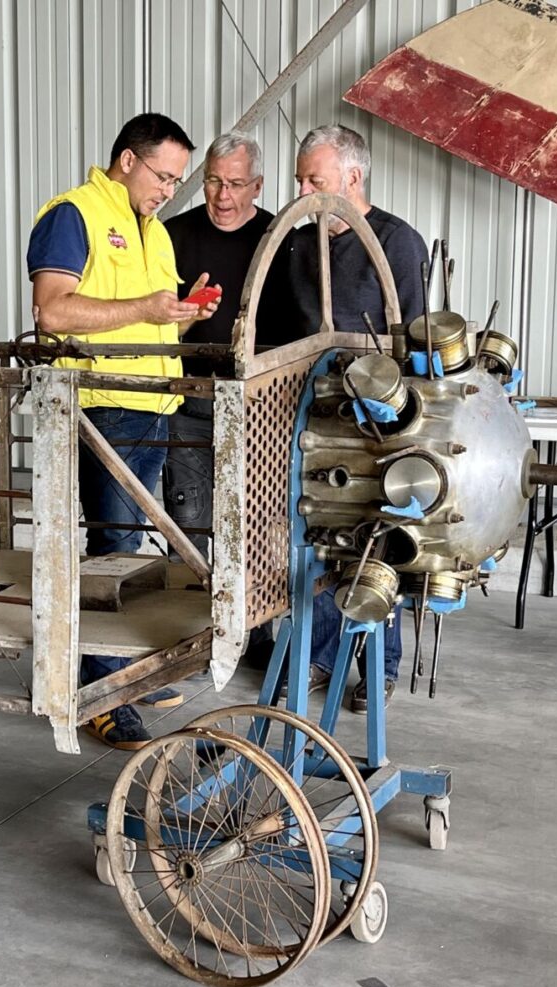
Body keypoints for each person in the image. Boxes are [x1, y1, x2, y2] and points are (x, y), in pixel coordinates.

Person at [27, 113, 217, 750]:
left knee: (132, 551)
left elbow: (150, 329)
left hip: (153, 404)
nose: (169, 190)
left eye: (176, 181)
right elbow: (52, 310)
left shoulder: (154, 233)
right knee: (111, 550)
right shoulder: (74, 214)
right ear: (128, 161)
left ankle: (120, 674)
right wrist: (147, 307)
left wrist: (185, 316)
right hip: (102, 407)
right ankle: (98, 696)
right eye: (163, 176)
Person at [277, 123, 428, 713]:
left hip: (372, 428)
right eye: (299, 179)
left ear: (353, 178)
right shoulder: (293, 243)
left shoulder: (398, 243)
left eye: (314, 179)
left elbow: (415, 351)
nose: (303, 190)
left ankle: (377, 666)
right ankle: (315, 655)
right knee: (313, 533)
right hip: (305, 417)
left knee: (373, 539)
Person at [161, 130, 278, 666]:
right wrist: (185, 316)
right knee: (188, 513)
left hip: (259, 405)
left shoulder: (280, 237)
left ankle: (251, 634)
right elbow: (153, 324)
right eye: (212, 181)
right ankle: (191, 634)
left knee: (254, 520)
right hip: (189, 398)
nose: (222, 196)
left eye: (235, 184)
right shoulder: (172, 236)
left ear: (257, 185)